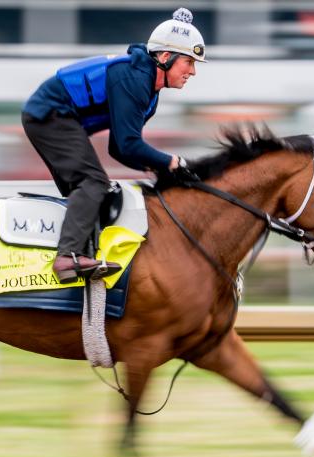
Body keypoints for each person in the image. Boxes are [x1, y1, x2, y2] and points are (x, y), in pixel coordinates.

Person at [22, 7, 206, 284]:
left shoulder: (149, 92)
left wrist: (158, 168)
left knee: (96, 189)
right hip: (49, 114)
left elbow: (119, 148)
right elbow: (130, 144)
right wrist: (171, 163)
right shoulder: (135, 80)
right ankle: (67, 258)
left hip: (56, 117)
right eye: (188, 62)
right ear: (165, 57)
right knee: (93, 182)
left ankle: (78, 256)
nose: (192, 71)